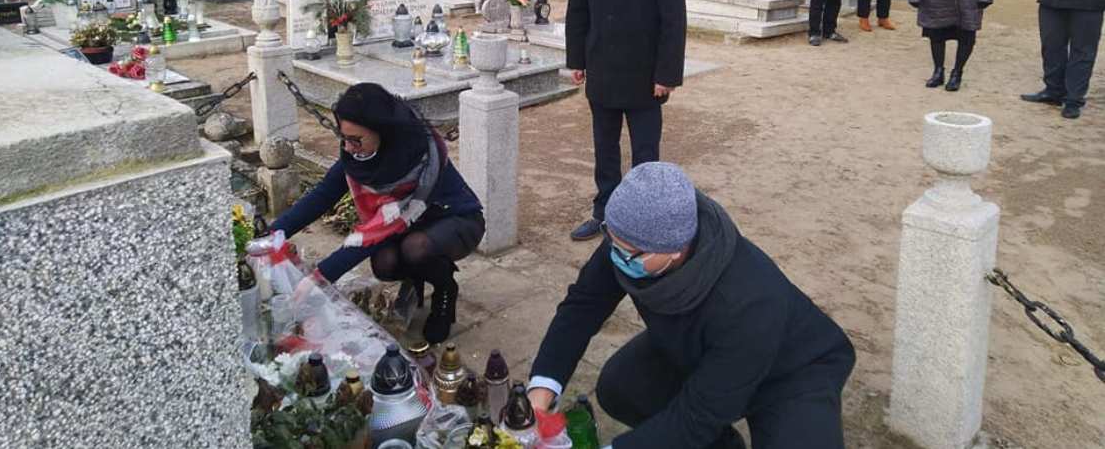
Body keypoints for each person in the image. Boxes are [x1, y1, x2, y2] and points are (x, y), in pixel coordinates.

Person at [527, 163, 856, 449]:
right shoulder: (630, 241)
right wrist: (541, 391)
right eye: (611, 239)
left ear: (674, 250)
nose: (616, 254)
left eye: (627, 251)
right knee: (620, 387)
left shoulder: (750, 299)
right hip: (703, 351)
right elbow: (581, 307)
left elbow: (699, 415)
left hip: (791, 371)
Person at [270, 83, 484, 344]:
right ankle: (417, 278)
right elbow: (323, 195)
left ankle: (445, 288)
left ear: (382, 130)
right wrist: (272, 234)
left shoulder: (414, 155)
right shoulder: (359, 157)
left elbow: (375, 234)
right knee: (384, 264)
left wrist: (317, 279)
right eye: (344, 138)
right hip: (405, 224)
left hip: (454, 218)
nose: (348, 147)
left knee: (416, 249)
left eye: (355, 140)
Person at [566, 0, 686, 242]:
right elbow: (578, 9)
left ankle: (642, 220)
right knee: (604, 149)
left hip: (644, 73)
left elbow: (673, 19)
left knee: (645, 154)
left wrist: (666, 74)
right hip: (602, 67)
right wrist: (577, 59)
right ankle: (603, 212)